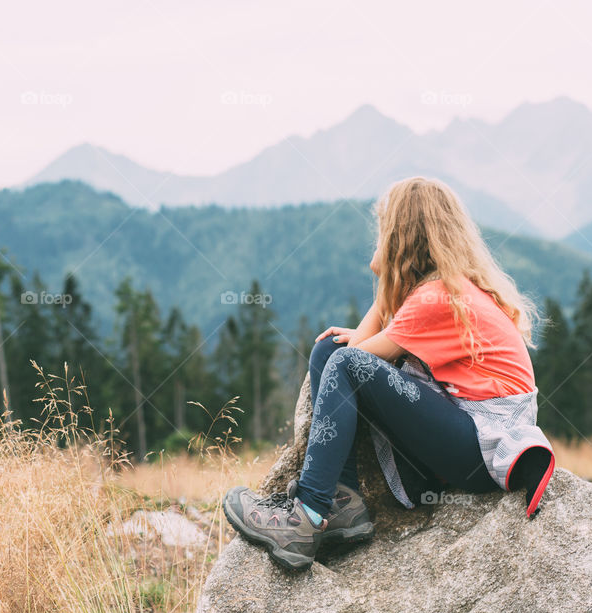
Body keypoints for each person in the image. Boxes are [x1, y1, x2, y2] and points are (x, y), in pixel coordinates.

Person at [223, 177, 556, 571]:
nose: (376, 244)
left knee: (344, 361)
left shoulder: (437, 298)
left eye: (383, 233)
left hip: (482, 446)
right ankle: (341, 505)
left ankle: (307, 516)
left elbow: (349, 368)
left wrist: (383, 279)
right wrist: (385, 293)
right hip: (461, 434)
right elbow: (346, 355)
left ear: (400, 238)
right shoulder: (439, 290)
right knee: (331, 348)